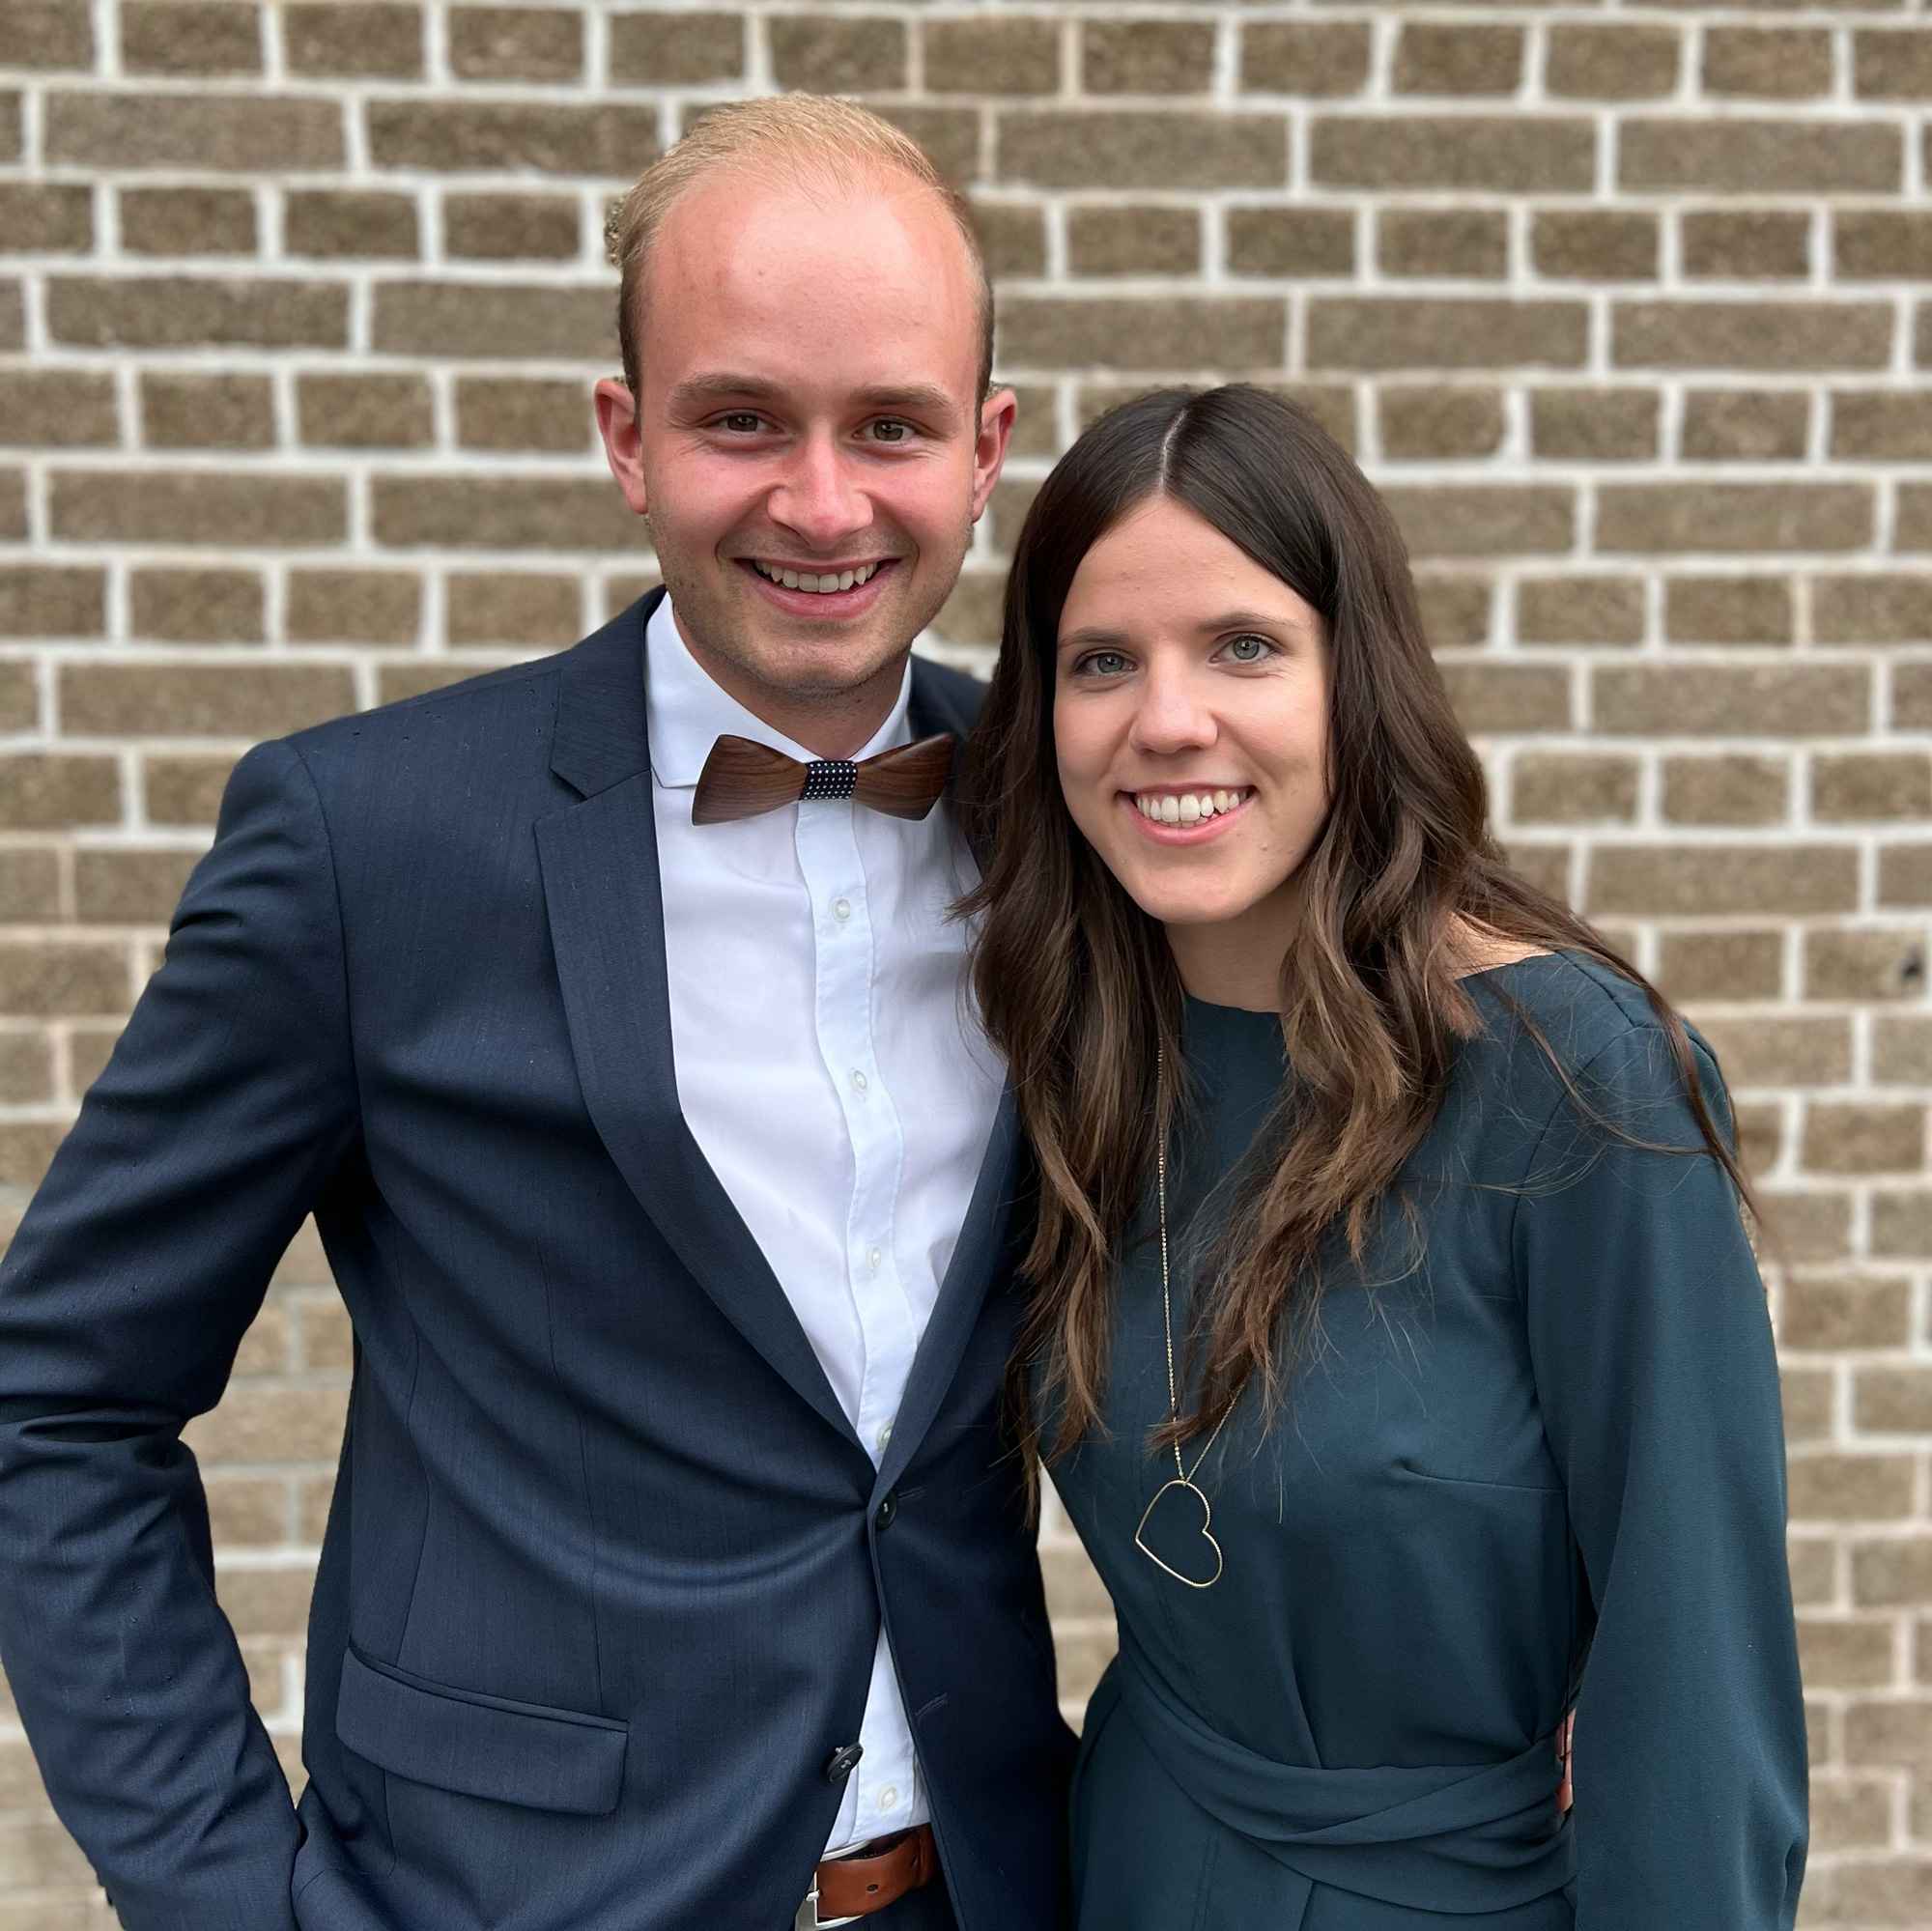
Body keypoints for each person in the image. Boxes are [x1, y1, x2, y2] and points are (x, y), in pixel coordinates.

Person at [0, 98, 1074, 1931]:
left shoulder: (1073, 821)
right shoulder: (366, 841)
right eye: (742, 418)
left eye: (887, 426)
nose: (823, 503)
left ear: (982, 453)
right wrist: (228, 1896)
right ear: (626, 438)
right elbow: (59, 1404)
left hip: (987, 1888)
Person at [961, 383, 1807, 1929]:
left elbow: (1699, 1680)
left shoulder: (1578, 1079)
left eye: (1244, 646)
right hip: (1137, 1868)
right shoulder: (1070, 1055)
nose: (1167, 719)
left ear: (1360, 678)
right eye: (1102, 662)